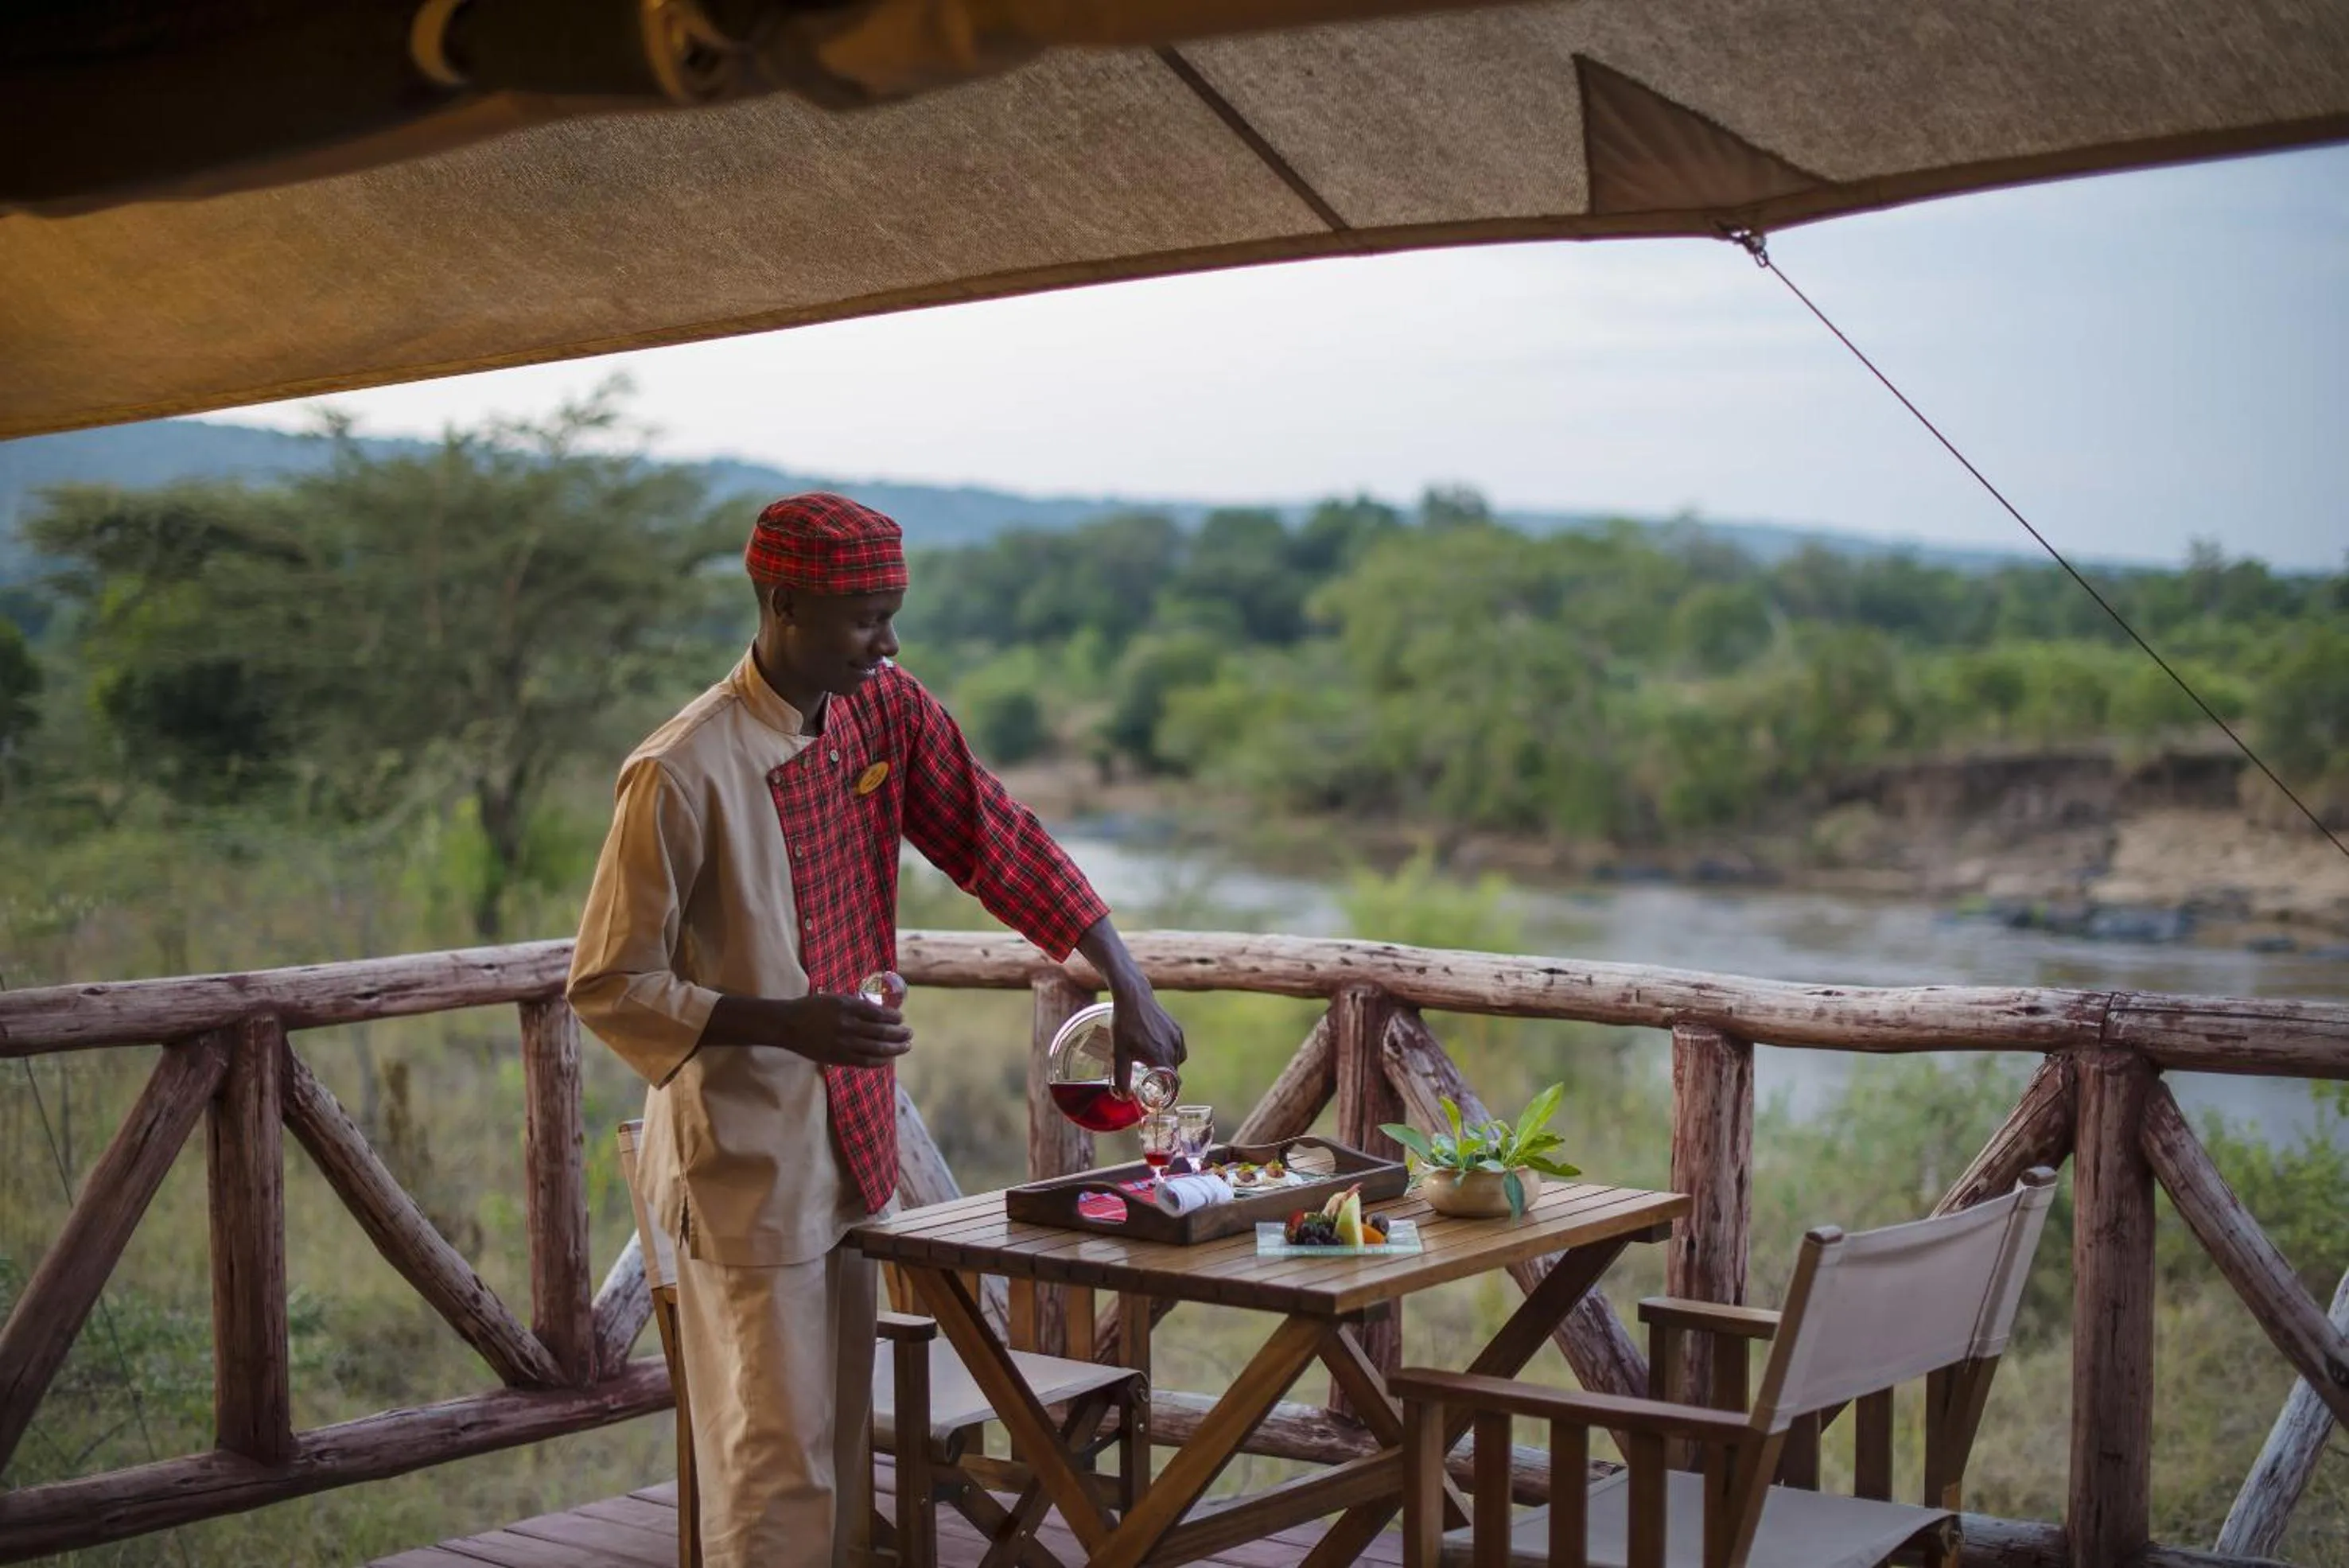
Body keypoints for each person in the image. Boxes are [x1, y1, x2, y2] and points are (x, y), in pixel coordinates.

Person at [567, 491, 1185, 1568]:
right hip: (746, 1162)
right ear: (782, 603)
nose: (888, 644)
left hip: (853, 1145)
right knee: (776, 1465)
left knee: (843, 1453)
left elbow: (994, 834)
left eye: (892, 615)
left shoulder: (882, 709)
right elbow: (610, 981)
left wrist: (1124, 978)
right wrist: (788, 1021)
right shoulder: (680, 771)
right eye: (864, 619)